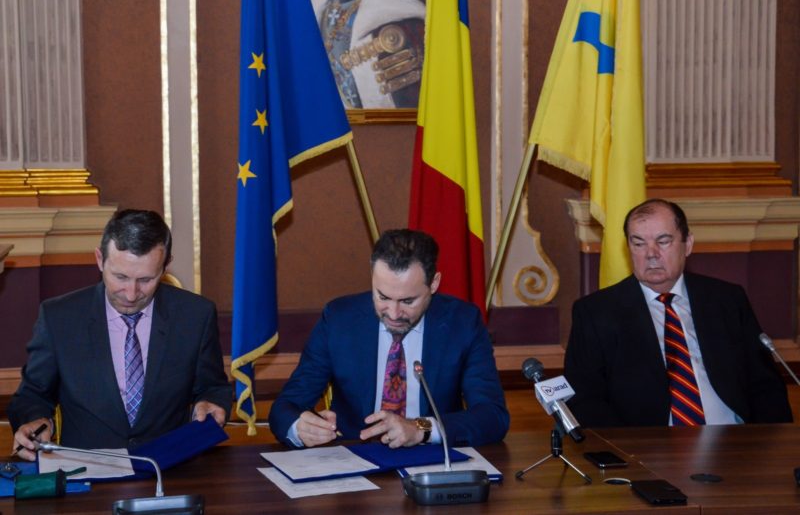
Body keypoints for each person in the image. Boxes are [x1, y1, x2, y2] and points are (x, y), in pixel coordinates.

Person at [9, 209, 231, 459]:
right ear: (100, 259)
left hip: (171, 465)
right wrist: (36, 421)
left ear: (165, 266)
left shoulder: (195, 315)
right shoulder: (59, 318)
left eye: (145, 279)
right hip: (86, 468)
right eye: (120, 277)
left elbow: (213, 387)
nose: (131, 294)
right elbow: (32, 395)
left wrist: (211, 403)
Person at [269, 229, 509, 448]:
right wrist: (300, 428)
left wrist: (420, 428)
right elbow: (285, 407)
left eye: (407, 301)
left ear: (434, 284)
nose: (393, 314)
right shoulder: (339, 319)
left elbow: (493, 416)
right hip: (355, 459)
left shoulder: (463, 323)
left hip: (432, 462)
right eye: (383, 297)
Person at [564, 198, 792, 427]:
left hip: (735, 437)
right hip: (649, 443)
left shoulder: (727, 300)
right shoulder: (596, 312)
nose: (651, 254)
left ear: (688, 244)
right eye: (639, 243)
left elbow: (766, 385)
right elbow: (585, 398)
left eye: (663, 241)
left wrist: (769, 442)